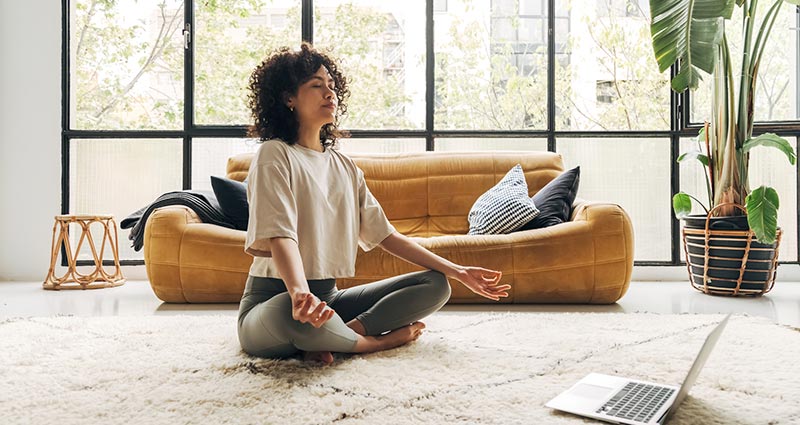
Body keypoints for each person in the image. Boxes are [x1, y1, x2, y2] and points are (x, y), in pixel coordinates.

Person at [238, 43, 510, 366]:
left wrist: (458, 271)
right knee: (290, 312)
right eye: (316, 85)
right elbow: (281, 235)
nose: (329, 93)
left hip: (328, 301)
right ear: (288, 98)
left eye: (331, 85)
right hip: (273, 302)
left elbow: (387, 236)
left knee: (436, 284)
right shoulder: (275, 154)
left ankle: (342, 334)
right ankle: (372, 343)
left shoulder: (345, 167)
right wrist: (299, 293)